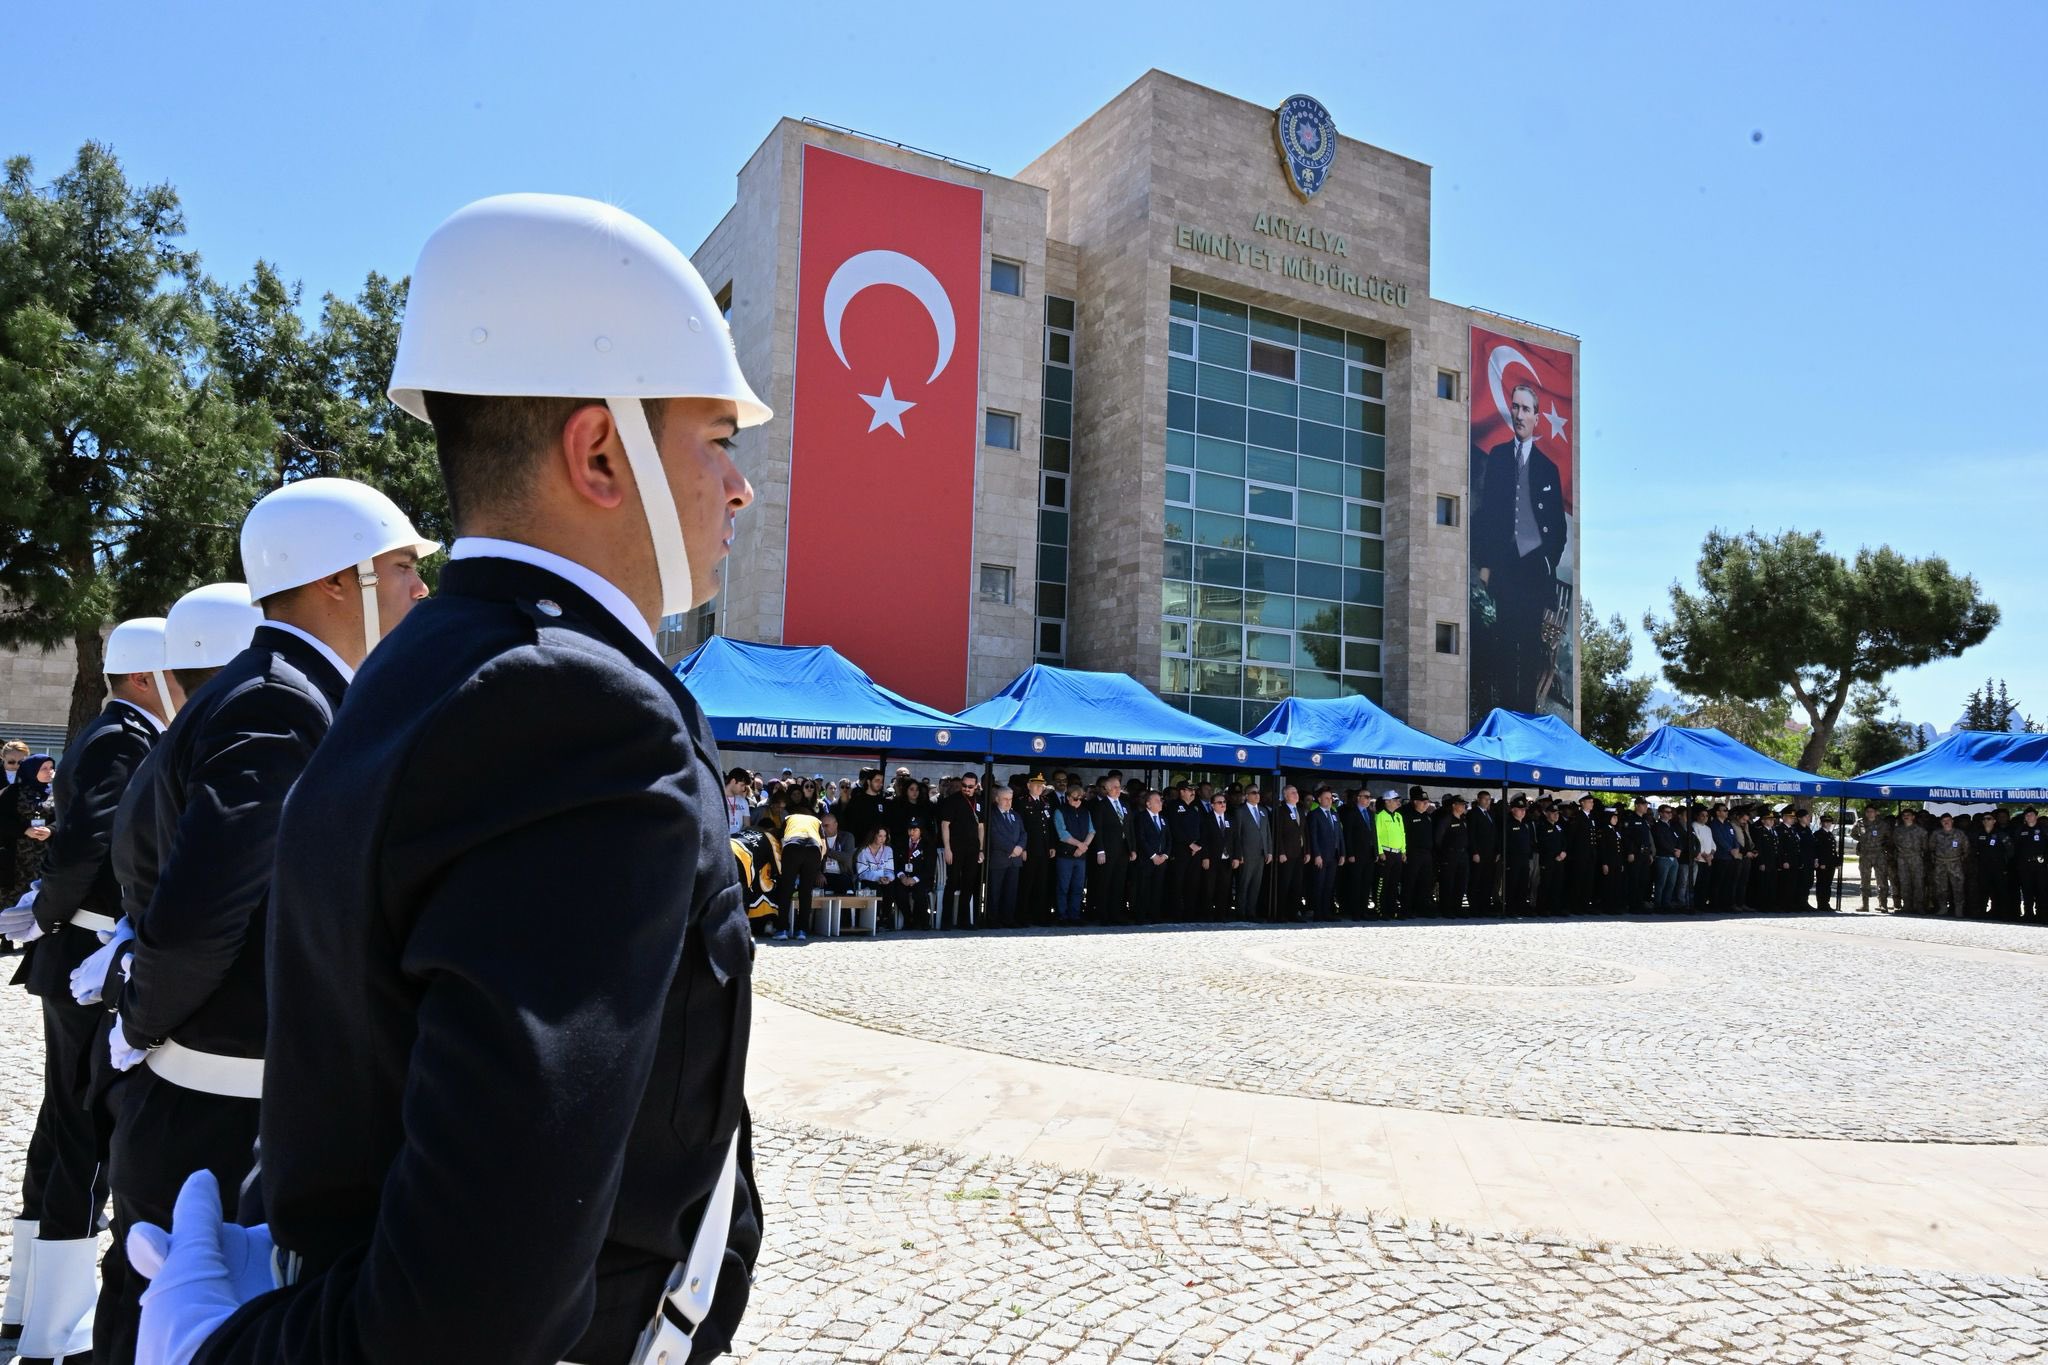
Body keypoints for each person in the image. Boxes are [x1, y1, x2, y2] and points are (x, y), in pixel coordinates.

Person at [134, 195, 767, 1364]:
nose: (737, 487)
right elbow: (469, 1315)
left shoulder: (427, 662)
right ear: (597, 452)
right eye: (716, 439)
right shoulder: (571, 709)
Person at [98, 482, 433, 1359]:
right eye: (403, 568)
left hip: (217, 1098)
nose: (420, 590)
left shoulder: (278, 688)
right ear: (337, 581)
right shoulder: (283, 699)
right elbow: (206, 912)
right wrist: (138, 1013)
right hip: (219, 1113)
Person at [0, 617, 179, 1362]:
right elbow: (90, 844)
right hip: (88, 950)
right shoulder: (123, 738)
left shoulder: (111, 734)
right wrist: (42, 911)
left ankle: (31, 1309)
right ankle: (59, 1326)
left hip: (75, 944)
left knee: (62, 1129)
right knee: (87, 1137)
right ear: (144, 677)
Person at [1470, 380, 1569, 713]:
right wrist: (1485, 564)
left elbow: (1558, 526)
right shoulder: (1498, 457)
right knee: (1502, 641)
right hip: (1504, 566)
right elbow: (1486, 513)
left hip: (1532, 571)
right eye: (1515, 407)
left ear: (1537, 417)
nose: (1519, 414)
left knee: (1529, 646)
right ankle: (1504, 713)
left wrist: (1546, 563)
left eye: (1526, 409)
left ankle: (1525, 713)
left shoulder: (1548, 468)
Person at [937, 770, 984, 931]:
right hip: (955, 848)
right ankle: (946, 921)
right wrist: (947, 848)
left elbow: (981, 827)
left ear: (976, 786)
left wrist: (981, 849)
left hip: (973, 849)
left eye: (970, 786)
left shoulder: (979, 801)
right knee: (953, 882)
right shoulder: (952, 801)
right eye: (964, 785)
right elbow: (945, 825)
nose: (966, 789)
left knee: (969, 884)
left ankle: (965, 921)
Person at [776, 794, 824, 941]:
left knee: (786, 889)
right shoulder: (816, 821)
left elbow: (781, 841)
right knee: (806, 891)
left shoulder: (788, 819)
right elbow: (824, 845)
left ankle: (782, 930)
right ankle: (802, 931)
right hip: (814, 849)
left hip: (793, 847)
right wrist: (817, 864)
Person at [6, 753, 54, 898]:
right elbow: (3, 820)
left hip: (46, 853)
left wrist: (51, 830)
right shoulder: (13, 792)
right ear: (32, 770)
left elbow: (65, 818)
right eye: (44, 768)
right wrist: (25, 830)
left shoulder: (57, 791)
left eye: (51, 767)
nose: (49, 771)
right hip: (17, 854)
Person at [1087, 774, 1131, 927]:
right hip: (1107, 850)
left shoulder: (1124, 805)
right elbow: (1097, 829)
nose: (1118, 790)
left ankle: (1115, 913)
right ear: (1106, 789)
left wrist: (1132, 848)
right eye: (1114, 787)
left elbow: (1129, 827)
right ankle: (1103, 914)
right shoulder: (1101, 806)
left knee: (1119, 883)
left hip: (1123, 851)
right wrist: (1100, 850)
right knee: (1105, 883)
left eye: (1119, 787)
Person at [985, 784, 1027, 928]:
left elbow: (1023, 833)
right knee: (995, 891)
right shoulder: (991, 815)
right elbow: (994, 835)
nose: (1008, 802)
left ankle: (1008, 919)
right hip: (999, 859)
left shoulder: (1015, 815)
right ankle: (993, 920)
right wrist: (1012, 848)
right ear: (997, 799)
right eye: (1005, 799)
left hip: (1015, 860)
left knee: (1011, 891)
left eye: (1010, 799)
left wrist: (1020, 847)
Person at [1229, 784, 1271, 923]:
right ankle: (1241, 912)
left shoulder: (1263, 810)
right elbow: (1237, 835)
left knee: (1256, 885)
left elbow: (1267, 833)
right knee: (1244, 884)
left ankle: (1251, 912)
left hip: (1260, 854)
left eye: (1258, 792)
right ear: (1246, 796)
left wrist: (1269, 851)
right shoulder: (1240, 811)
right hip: (1246, 854)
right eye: (1253, 793)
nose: (1257, 795)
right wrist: (1238, 854)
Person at [1018, 773, 1056, 926]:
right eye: (1036, 785)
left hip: (1044, 849)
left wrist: (1052, 845)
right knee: (1027, 883)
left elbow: (1049, 826)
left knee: (1042, 882)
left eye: (1042, 785)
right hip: (1030, 849)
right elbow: (1021, 828)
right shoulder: (1022, 803)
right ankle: (1023, 916)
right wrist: (1023, 848)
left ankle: (1039, 915)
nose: (1039, 788)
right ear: (1028, 786)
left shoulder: (1046, 802)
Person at [1052, 784, 1093, 924]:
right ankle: (1062, 915)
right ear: (1068, 797)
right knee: (1063, 886)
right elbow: (1062, 834)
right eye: (1075, 799)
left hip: (1081, 855)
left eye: (1080, 798)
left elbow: (1091, 831)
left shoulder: (1085, 812)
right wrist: (1079, 844)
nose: (1078, 801)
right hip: (1065, 855)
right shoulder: (1060, 811)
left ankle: (1075, 915)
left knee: (1078, 887)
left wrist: (1083, 847)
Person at [1166, 779, 1205, 921]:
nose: (1193, 792)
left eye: (1194, 790)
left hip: (1195, 852)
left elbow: (1202, 828)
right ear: (1181, 791)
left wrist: (1198, 845)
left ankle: (1190, 914)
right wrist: (1190, 844)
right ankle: (1175, 914)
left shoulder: (1196, 807)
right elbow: (1175, 829)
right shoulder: (1173, 807)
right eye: (1190, 790)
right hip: (1180, 851)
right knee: (1177, 883)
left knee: (1192, 883)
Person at [1131, 788, 1171, 924]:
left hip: (1161, 860)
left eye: (1161, 800)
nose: (1161, 803)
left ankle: (1155, 915)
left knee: (1157, 888)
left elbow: (1169, 839)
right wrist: (1153, 855)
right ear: (1148, 804)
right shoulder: (1141, 818)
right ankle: (1140, 916)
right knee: (1143, 888)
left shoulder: (1163, 819)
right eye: (1157, 801)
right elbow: (1141, 839)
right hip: (1146, 860)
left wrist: (1165, 855)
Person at [1304, 787, 1342, 920]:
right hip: (1321, 855)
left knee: (1329, 885)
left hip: (1333, 855)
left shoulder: (1334, 813)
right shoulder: (1314, 814)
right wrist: (1317, 855)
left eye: (1331, 798)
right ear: (1319, 800)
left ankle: (1327, 912)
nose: (1330, 800)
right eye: (1326, 798)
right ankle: (1318, 912)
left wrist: (1342, 853)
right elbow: (1313, 837)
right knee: (1319, 884)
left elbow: (1339, 834)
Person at [1269, 784, 1305, 921]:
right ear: (1285, 796)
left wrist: (1306, 851)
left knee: (1297, 885)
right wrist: (1281, 852)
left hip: (1299, 853)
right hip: (1286, 854)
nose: (1296, 794)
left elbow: (1303, 832)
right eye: (1292, 792)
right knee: (1284, 884)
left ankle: (1294, 913)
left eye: (1296, 792)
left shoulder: (1300, 810)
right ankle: (1281, 914)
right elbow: (1277, 834)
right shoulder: (1280, 811)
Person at [1197, 792, 1235, 920]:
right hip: (1212, 859)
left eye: (1224, 802)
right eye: (1219, 802)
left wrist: (1236, 857)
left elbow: (1235, 839)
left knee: (1224, 888)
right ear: (1212, 805)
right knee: (1209, 888)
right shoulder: (1207, 819)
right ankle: (1207, 914)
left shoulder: (1230, 818)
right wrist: (1205, 857)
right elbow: (1204, 839)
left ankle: (1221, 914)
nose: (1223, 804)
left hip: (1226, 859)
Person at [1338, 788, 1374, 918]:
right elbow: (1347, 835)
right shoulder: (1351, 813)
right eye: (1366, 797)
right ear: (1358, 798)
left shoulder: (1370, 813)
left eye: (1370, 797)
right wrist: (1350, 853)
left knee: (1366, 883)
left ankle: (1363, 909)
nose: (1369, 799)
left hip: (1369, 854)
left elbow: (1373, 834)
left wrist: (1375, 852)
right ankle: (1354, 911)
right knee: (1355, 883)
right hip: (1356, 854)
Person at [1371, 789, 1406, 918]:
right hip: (1386, 852)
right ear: (1388, 801)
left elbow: (1402, 834)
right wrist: (1380, 852)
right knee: (1383, 883)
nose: (1398, 802)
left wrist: (1403, 851)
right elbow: (1377, 836)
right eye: (1396, 800)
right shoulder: (1380, 816)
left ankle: (1392, 910)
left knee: (1394, 883)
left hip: (1397, 853)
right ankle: (1381, 910)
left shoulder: (1398, 816)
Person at [1973, 811, 2014, 919]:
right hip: (1984, 868)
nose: (1986, 821)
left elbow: (2010, 851)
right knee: (1983, 890)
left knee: (2000, 891)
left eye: (1989, 818)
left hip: (1998, 868)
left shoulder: (2001, 834)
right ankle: (1981, 912)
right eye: (1984, 819)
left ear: (1994, 821)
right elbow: (1973, 850)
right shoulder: (1979, 834)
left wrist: (2003, 862)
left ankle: (2002, 914)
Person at [1401, 789, 1435, 917]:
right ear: (1415, 802)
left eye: (1427, 801)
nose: (1426, 804)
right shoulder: (1408, 816)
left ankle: (1422, 908)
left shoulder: (1427, 816)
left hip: (1426, 854)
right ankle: (1406, 909)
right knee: (1410, 882)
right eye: (1423, 801)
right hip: (1413, 853)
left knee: (1425, 882)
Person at [1435, 795, 1471, 916]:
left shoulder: (1464, 819)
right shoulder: (1446, 819)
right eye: (1461, 804)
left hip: (1462, 855)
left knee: (1461, 883)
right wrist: (1445, 853)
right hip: (1449, 855)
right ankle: (1446, 909)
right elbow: (1438, 839)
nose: (1463, 806)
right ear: (1454, 805)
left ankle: (1457, 908)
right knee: (1448, 883)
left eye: (1464, 804)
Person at [1930, 813, 1971, 917]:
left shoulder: (1959, 834)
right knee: (1941, 887)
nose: (1946, 822)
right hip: (1940, 863)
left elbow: (1966, 849)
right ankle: (1943, 908)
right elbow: (1931, 847)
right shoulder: (1936, 833)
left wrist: (1960, 859)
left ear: (1952, 821)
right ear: (1941, 822)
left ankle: (1959, 910)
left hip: (1955, 863)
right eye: (1944, 821)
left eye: (1948, 820)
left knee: (1958, 887)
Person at [1892, 808, 1930, 914]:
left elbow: (1925, 847)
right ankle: (1907, 906)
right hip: (1902, 859)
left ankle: (1919, 906)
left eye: (1908, 814)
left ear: (1913, 817)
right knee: (1904, 883)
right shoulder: (1898, 830)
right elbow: (1894, 844)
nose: (1906, 816)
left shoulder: (1921, 831)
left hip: (1916, 858)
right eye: (1904, 815)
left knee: (1918, 883)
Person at [1468, 790, 1500, 915]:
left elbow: (1495, 834)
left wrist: (1497, 851)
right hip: (1479, 853)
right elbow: (1471, 835)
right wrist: (1474, 852)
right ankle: (1475, 907)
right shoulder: (1473, 814)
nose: (1487, 802)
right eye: (1485, 799)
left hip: (1490, 854)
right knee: (1476, 880)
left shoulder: (1490, 814)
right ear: (1478, 800)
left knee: (1488, 881)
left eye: (1489, 799)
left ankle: (1485, 905)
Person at [1854, 807, 1892, 912]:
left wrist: (1882, 845)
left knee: (1882, 880)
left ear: (1876, 813)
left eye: (1872, 811)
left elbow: (1889, 837)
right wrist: (1862, 840)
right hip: (1865, 854)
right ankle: (1864, 904)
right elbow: (1853, 834)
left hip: (1879, 855)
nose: (1869, 813)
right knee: (1864, 880)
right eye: (1867, 812)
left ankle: (1883, 904)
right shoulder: (1860, 823)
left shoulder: (1882, 824)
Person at [1503, 796, 1535, 916]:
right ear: (1513, 810)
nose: (1523, 811)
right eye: (1520, 809)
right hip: (1513, 859)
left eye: (1524, 809)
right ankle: (1511, 908)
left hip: (1524, 858)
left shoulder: (1525, 825)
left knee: (1523, 884)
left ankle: (1521, 906)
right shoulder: (1509, 824)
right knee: (1512, 883)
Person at [1535, 801, 1568, 915]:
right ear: (1546, 813)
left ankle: (1555, 908)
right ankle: (1542, 908)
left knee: (1557, 884)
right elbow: (1543, 844)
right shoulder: (1542, 826)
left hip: (1560, 860)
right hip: (1548, 860)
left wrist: (1563, 852)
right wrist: (1556, 855)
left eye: (1557, 813)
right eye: (1553, 813)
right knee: (1546, 884)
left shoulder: (1559, 826)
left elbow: (1564, 841)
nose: (1556, 815)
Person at [2013, 809, 2046, 920]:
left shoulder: (2043, 830)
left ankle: (2042, 914)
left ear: (2036, 816)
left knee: (2041, 890)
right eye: (2026, 815)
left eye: (2031, 814)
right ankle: (2028, 914)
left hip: (2040, 865)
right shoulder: (2020, 830)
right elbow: (2015, 848)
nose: (2028, 817)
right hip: (2025, 865)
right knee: (2027, 891)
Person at [1649, 804, 1682, 910]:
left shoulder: (1672, 826)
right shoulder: (1657, 826)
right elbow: (1660, 842)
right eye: (1667, 812)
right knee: (1661, 883)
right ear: (1661, 813)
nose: (1670, 814)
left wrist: (1678, 849)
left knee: (1671, 883)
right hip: (1662, 857)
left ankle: (1666, 903)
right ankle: (1658, 904)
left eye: (1670, 812)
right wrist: (1673, 850)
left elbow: (1678, 839)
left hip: (1673, 858)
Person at [817, 812, 856, 896]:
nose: (823, 829)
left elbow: (847, 857)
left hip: (842, 874)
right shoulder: (818, 838)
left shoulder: (847, 837)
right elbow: (813, 859)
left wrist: (828, 851)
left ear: (835, 825)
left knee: (845, 887)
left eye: (826, 826)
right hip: (824, 875)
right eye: (821, 826)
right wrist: (818, 873)